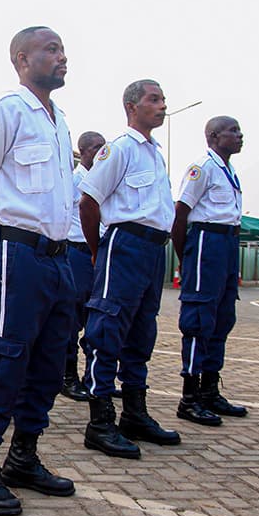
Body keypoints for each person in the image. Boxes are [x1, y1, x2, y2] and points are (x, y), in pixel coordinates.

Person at [0, 26, 78, 516]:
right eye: (51, 49)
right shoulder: (5, 108)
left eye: (63, 49)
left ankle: (23, 457)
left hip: (58, 258)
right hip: (17, 253)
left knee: (50, 362)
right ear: (21, 58)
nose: (62, 57)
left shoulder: (60, 120)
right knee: (5, 358)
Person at [78, 79, 181, 459]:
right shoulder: (119, 149)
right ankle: (100, 421)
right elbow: (88, 201)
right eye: (154, 99)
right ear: (132, 106)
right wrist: (97, 250)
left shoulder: (155, 152)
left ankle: (135, 413)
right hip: (124, 244)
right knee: (106, 330)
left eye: (163, 99)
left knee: (142, 331)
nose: (162, 106)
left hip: (153, 251)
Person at [172, 116, 248, 424]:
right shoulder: (201, 168)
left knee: (222, 318)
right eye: (233, 131)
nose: (240, 135)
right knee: (199, 319)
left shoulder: (228, 170)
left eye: (239, 130)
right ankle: (189, 398)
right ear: (214, 137)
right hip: (206, 242)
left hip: (228, 244)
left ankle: (209, 391)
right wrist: (185, 257)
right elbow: (180, 214)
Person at [60, 131, 105, 402]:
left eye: (104, 147)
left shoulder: (104, 179)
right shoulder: (75, 180)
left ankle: (93, 377)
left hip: (98, 254)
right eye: (96, 148)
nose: (101, 153)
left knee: (97, 319)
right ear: (83, 152)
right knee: (72, 318)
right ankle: (68, 377)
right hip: (77, 253)